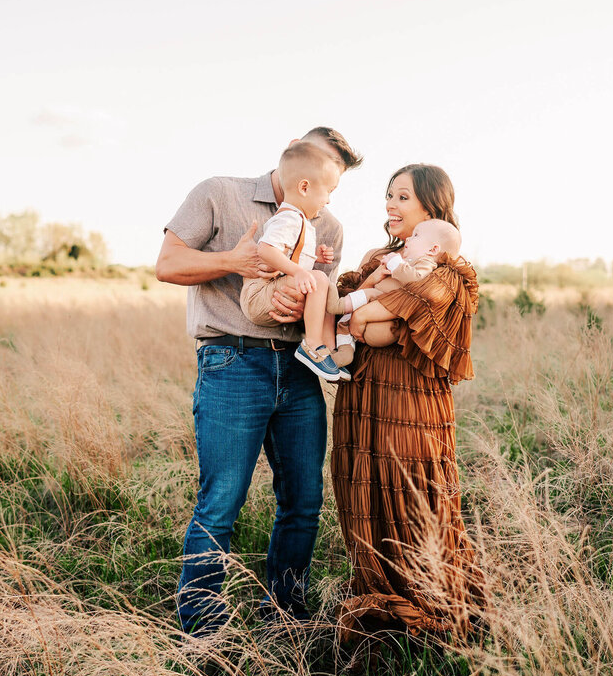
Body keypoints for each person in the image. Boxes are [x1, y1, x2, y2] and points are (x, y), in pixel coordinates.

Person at [155, 127, 362, 635]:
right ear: (301, 162)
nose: (328, 189)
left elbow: (317, 300)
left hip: (297, 367)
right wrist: (234, 260)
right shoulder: (218, 193)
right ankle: (202, 631)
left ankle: (285, 617)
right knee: (222, 498)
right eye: (324, 173)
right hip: (231, 362)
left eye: (336, 181)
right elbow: (167, 264)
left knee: (304, 498)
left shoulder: (328, 227)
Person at [330, 163, 485, 645]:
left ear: (430, 206)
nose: (390, 206)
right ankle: (377, 598)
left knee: (413, 491)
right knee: (365, 491)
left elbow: (405, 310)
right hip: (363, 395)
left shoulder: (447, 268)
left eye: (402, 197)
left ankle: (430, 602)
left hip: (412, 402)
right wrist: (361, 313)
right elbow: (350, 302)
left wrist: (370, 318)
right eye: (388, 196)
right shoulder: (379, 256)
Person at [239, 141, 348, 381]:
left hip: (271, 292)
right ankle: (312, 346)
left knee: (327, 286)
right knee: (318, 279)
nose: (328, 200)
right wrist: (299, 272)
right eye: (328, 191)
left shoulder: (299, 219)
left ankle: (329, 351)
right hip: (259, 295)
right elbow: (266, 250)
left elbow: (290, 255)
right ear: (305, 188)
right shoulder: (288, 217)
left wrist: (315, 258)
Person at [337, 218, 462, 352]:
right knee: (345, 321)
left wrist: (395, 264)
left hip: (382, 328)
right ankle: (343, 346)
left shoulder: (427, 264)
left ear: (433, 249)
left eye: (416, 235)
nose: (409, 238)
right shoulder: (405, 262)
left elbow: (416, 281)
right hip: (371, 314)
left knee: (357, 319)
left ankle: (337, 307)